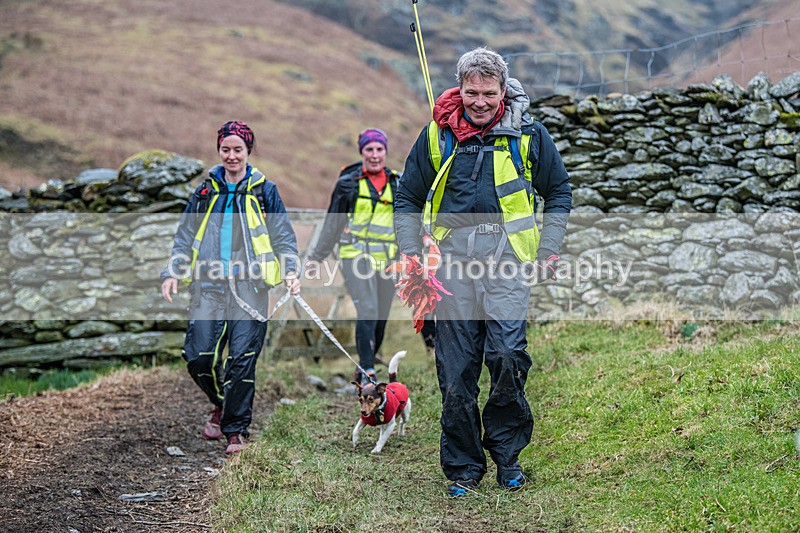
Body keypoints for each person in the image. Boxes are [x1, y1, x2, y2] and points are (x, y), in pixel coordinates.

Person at [394, 47, 572, 496]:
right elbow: (407, 198)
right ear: (460, 88)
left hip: (508, 262)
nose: (478, 101)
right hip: (450, 265)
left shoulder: (528, 135)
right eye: (470, 92)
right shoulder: (437, 135)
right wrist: (410, 252)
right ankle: (462, 467)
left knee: (508, 357)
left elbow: (559, 191)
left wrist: (548, 248)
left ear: (502, 91)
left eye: (488, 93)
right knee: (456, 373)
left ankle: (507, 456)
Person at [161, 120, 301, 454]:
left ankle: (235, 430)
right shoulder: (205, 190)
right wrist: (172, 272)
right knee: (197, 357)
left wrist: (291, 270)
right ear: (219, 150)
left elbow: (283, 237)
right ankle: (222, 401)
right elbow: (184, 236)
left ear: (248, 150)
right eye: (226, 149)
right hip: (208, 286)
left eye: (238, 149)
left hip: (251, 288)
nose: (231, 155)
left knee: (242, 359)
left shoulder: (264, 189)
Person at [307, 128, 401, 385]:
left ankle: (367, 362)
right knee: (368, 308)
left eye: (379, 149)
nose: (374, 155)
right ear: (361, 153)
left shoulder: (397, 183)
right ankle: (368, 368)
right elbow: (332, 224)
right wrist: (316, 258)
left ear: (385, 151)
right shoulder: (348, 183)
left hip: (387, 258)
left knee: (381, 315)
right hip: (355, 254)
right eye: (369, 150)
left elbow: (405, 224)